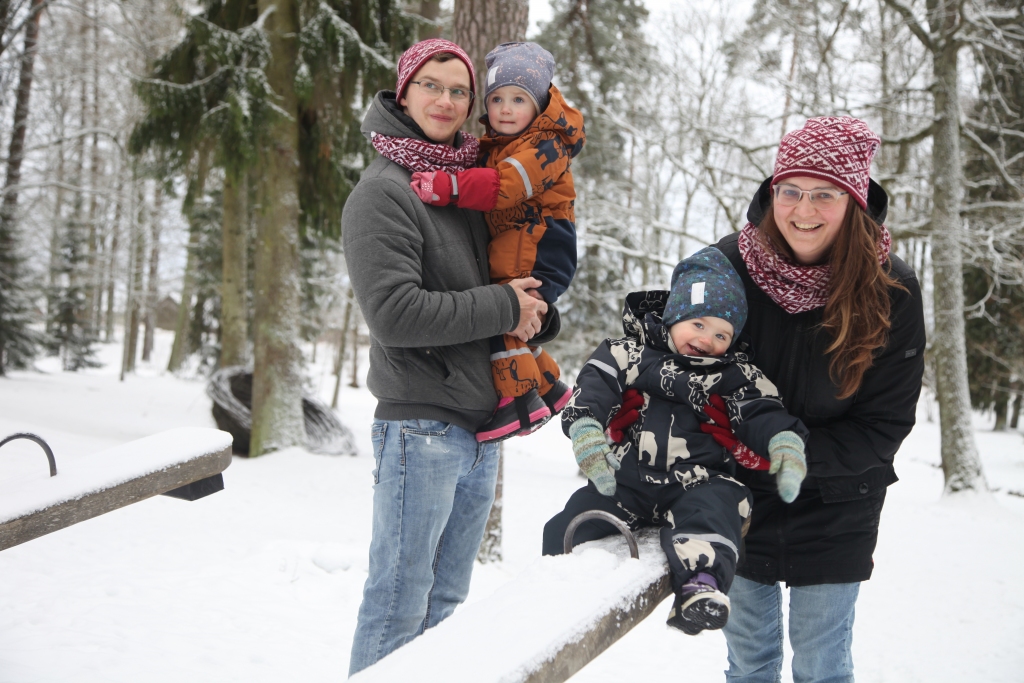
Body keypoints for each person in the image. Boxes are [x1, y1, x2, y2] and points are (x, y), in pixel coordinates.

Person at [604, 116, 925, 682]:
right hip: (735, 500)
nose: (804, 210)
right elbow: (669, 353)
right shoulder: (728, 267)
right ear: (771, 192)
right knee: (750, 661)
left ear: (853, 201)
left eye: (825, 194)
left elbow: (884, 423)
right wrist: (629, 412)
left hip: (838, 504)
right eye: (791, 191)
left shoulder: (890, 289)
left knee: (822, 664)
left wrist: (786, 455)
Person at [342, 38, 557, 676]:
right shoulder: (385, 193)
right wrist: (501, 306)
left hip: (481, 425)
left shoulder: (465, 186)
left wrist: (534, 311)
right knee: (398, 602)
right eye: (432, 85)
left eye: (459, 90)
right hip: (421, 424)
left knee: (447, 605)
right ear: (403, 92)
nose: (446, 99)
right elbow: (395, 314)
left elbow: (498, 281)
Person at [541, 246, 812, 635]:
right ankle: (556, 583)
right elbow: (595, 384)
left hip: (697, 481)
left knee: (717, 509)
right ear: (673, 316)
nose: (707, 340)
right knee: (571, 520)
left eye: (722, 334)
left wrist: (784, 442)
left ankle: (701, 589)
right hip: (628, 479)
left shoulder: (735, 374)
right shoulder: (628, 353)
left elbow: (762, 411)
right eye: (698, 325)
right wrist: (586, 429)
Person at [409, 41, 584, 442]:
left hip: (541, 241)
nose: (505, 109)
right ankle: (549, 386)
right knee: (506, 311)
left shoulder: (546, 144)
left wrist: (449, 186)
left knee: (504, 309)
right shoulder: (504, 143)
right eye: (497, 98)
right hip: (523, 235)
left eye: (518, 99)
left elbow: (507, 185)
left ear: (538, 106)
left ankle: (517, 404)